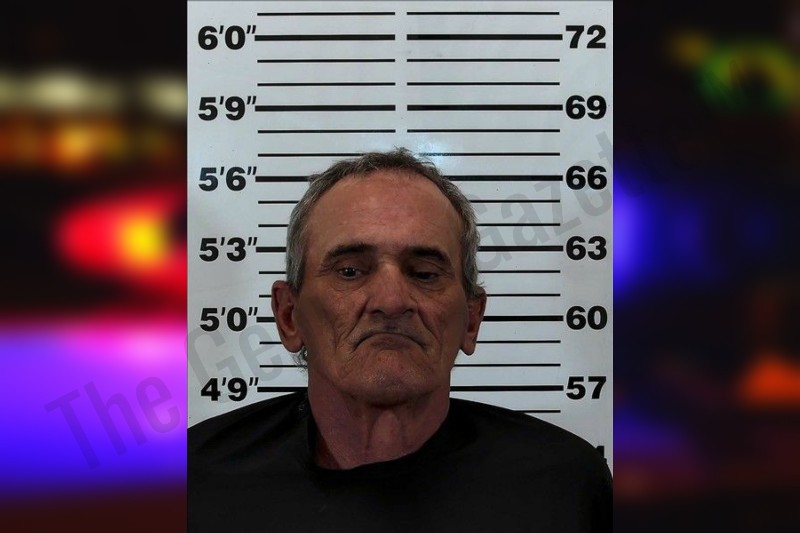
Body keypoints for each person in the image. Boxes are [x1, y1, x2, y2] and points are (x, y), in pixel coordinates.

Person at [188, 148, 612, 532]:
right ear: (289, 316)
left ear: (471, 319)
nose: (391, 301)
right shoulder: (194, 484)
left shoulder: (563, 489)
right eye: (350, 271)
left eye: (424, 273)